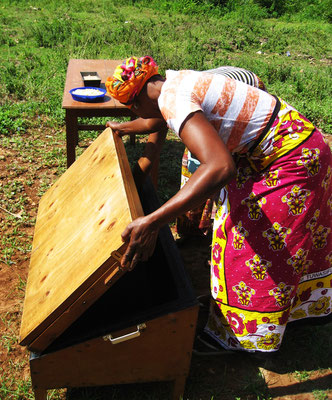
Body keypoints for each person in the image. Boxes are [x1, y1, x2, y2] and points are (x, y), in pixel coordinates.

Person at [106, 55, 332, 354]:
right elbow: (154, 119)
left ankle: (237, 338)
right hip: (288, 145)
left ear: (135, 102)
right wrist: (123, 127)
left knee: (249, 247)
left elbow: (220, 167)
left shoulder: (175, 100)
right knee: (239, 234)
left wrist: (154, 220)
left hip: (292, 160)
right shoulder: (172, 82)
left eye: (131, 110)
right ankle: (259, 315)